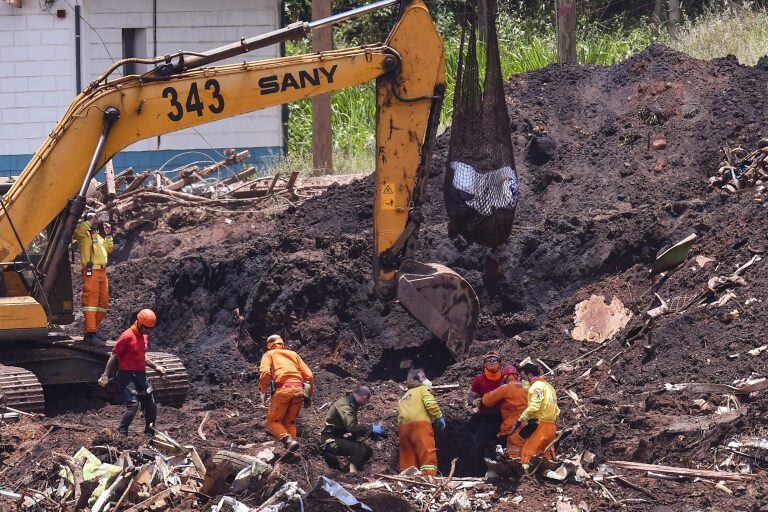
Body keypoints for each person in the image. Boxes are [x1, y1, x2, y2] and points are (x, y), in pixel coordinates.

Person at [98, 309, 166, 437]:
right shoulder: (127, 336)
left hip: (140, 374)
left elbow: (142, 356)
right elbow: (114, 355)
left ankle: (150, 432)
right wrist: (105, 375)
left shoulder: (144, 336)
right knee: (133, 405)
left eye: (150, 329)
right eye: (146, 328)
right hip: (126, 375)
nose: (148, 331)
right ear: (139, 322)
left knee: (151, 404)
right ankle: (122, 434)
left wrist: (156, 366)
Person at [259, 334, 314, 452]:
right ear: (282, 344)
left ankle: (288, 441)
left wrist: (263, 391)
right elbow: (309, 375)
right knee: (290, 422)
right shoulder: (294, 355)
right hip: (299, 391)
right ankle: (292, 449)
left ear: (269, 346)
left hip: (282, 391)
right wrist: (309, 395)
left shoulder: (269, 354)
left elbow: (265, 373)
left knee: (273, 422)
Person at [320, 386, 384, 473]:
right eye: (366, 401)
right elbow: (352, 427)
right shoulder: (345, 405)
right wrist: (371, 428)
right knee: (360, 450)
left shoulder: (352, 405)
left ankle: (353, 471)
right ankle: (346, 474)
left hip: (338, 437)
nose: (365, 404)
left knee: (368, 451)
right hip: (330, 440)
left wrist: (369, 433)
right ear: (364, 398)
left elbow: (352, 429)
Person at [509, 363, 560, 470]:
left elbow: (534, 407)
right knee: (545, 455)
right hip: (552, 427)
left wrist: (520, 420)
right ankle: (546, 480)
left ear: (530, 375)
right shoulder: (549, 387)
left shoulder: (536, 387)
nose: (523, 381)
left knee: (528, 452)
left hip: (542, 426)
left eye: (524, 378)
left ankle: (526, 479)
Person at [75, 212, 114, 344]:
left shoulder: (98, 236)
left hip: (102, 272)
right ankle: (91, 333)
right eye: (92, 217)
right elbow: (79, 230)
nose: (96, 219)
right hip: (91, 271)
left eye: (96, 217)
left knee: (103, 304)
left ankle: (91, 332)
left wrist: (108, 234)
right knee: (91, 303)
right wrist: (92, 220)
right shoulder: (84, 236)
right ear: (87, 221)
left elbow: (109, 249)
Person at [397, 369, 444, 476]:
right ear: (417, 380)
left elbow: (399, 416)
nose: (426, 379)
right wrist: (438, 416)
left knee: (408, 456)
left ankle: (407, 478)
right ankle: (429, 477)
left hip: (403, 429)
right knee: (426, 452)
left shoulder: (404, 397)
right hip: (420, 426)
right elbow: (430, 404)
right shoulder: (423, 389)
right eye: (423, 377)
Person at [480, 365, 528, 460]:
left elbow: (487, 401)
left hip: (512, 428)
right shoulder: (527, 388)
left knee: (506, 456)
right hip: (528, 427)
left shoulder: (506, 388)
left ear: (504, 377)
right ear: (517, 376)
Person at [466, 353, 505, 470]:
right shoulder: (479, 379)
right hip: (485, 419)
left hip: (502, 418)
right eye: (488, 360)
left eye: (494, 360)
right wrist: (474, 402)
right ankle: (477, 471)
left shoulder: (505, 378)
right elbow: (470, 398)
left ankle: (505, 471)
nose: (492, 362)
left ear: (499, 363)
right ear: (484, 364)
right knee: (478, 445)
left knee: (505, 446)